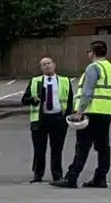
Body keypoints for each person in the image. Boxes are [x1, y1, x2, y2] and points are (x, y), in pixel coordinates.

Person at [56, 40, 111, 189]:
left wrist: (80, 112)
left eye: (88, 51)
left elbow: (88, 92)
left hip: (92, 111)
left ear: (93, 52)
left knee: (82, 145)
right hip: (107, 111)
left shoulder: (93, 68)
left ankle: (71, 177)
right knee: (103, 146)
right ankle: (100, 177)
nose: (88, 54)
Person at [21, 56, 73, 184]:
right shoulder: (35, 81)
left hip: (58, 118)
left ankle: (57, 174)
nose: (47, 66)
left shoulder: (64, 81)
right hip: (40, 119)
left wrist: (67, 117)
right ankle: (38, 174)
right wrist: (33, 99)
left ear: (54, 65)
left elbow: (70, 100)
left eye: (49, 63)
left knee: (57, 149)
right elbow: (24, 99)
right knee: (39, 149)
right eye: (43, 64)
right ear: (41, 68)